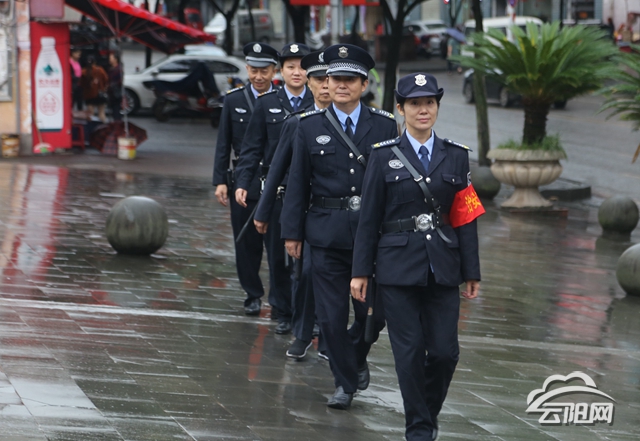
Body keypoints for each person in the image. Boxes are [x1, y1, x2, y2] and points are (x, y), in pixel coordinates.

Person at [350, 73, 484, 441]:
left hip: (443, 266)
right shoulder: (383, 155)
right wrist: (360, 271)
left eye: (429, 103)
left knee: (444, 353)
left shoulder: (456, 155)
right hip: (396, 269)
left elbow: (466, 216)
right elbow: (368, 219)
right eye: (414, 104)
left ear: (437, 107)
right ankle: (419, 429)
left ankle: (426, 412)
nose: (422, 110)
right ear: (400, 109)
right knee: (409, 353)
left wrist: (472, 270)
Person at [281, 44, 398, 409]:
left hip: (371, 236)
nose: (341, 85)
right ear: (326, 83)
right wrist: (292, 232)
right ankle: (344, 384)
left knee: (373, 315)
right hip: (325, 233)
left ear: (364, 84)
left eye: (350, 79)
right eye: (335, 79)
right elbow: (298, 182)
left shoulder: (384, 125)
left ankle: (354, 353)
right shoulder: (308, 126)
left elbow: (393, 183)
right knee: (330, 318)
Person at [253, 50, 331, 359]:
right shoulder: (298, 123)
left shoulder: (359, 124)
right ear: (310, 84)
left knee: (334, 277)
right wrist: (263, 211)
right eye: (319, 80)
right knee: (306, 272)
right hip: (308, 211)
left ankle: (328, 332)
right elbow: (277, 169)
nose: (326, 86)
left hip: (344, 214)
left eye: (330, 79)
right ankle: (302, 329)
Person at [234, 43, 314, 335]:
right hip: (277, 190)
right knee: (278, 256)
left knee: (308, 258)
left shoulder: (319, 102)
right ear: (281, 70)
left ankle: (308, 313)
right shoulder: (268, 103)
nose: (297, 72)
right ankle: (282, 310)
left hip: (309, 192)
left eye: (302, 67)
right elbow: (252, 149)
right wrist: (243, 183)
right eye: (291, 67)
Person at [212, 42, 279, 317]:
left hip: (275, 179)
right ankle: (252, 294)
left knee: (277, 245)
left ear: (274, 71)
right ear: (247, 69)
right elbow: (223, 142)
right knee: (245, 242)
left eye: (264, 71)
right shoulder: (234, 99)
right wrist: (220, 180)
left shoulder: (282, 99)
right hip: (243, 179)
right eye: (253, 70)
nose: (259, 76)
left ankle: (279, 299)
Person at [81, 56, 108, 122]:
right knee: (101, 113)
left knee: (90, 114)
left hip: (89, 95)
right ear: (95, 62)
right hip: (99, 94)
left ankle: (91, 127)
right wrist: (104, 88)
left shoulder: (84, 71)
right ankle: (102, 126)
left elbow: (81, 84)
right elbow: (106, 80)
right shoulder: (100, 70)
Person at [107, 53, 123, 121]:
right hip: (111, 92)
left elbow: (120, 81)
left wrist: (111, 85)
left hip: (116, 92)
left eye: (111, 58)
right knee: (113, 110)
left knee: (116, 109)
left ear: (115, 59)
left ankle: (117, 122)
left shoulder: (118, 69)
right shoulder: (112, 68)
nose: (109, 60)